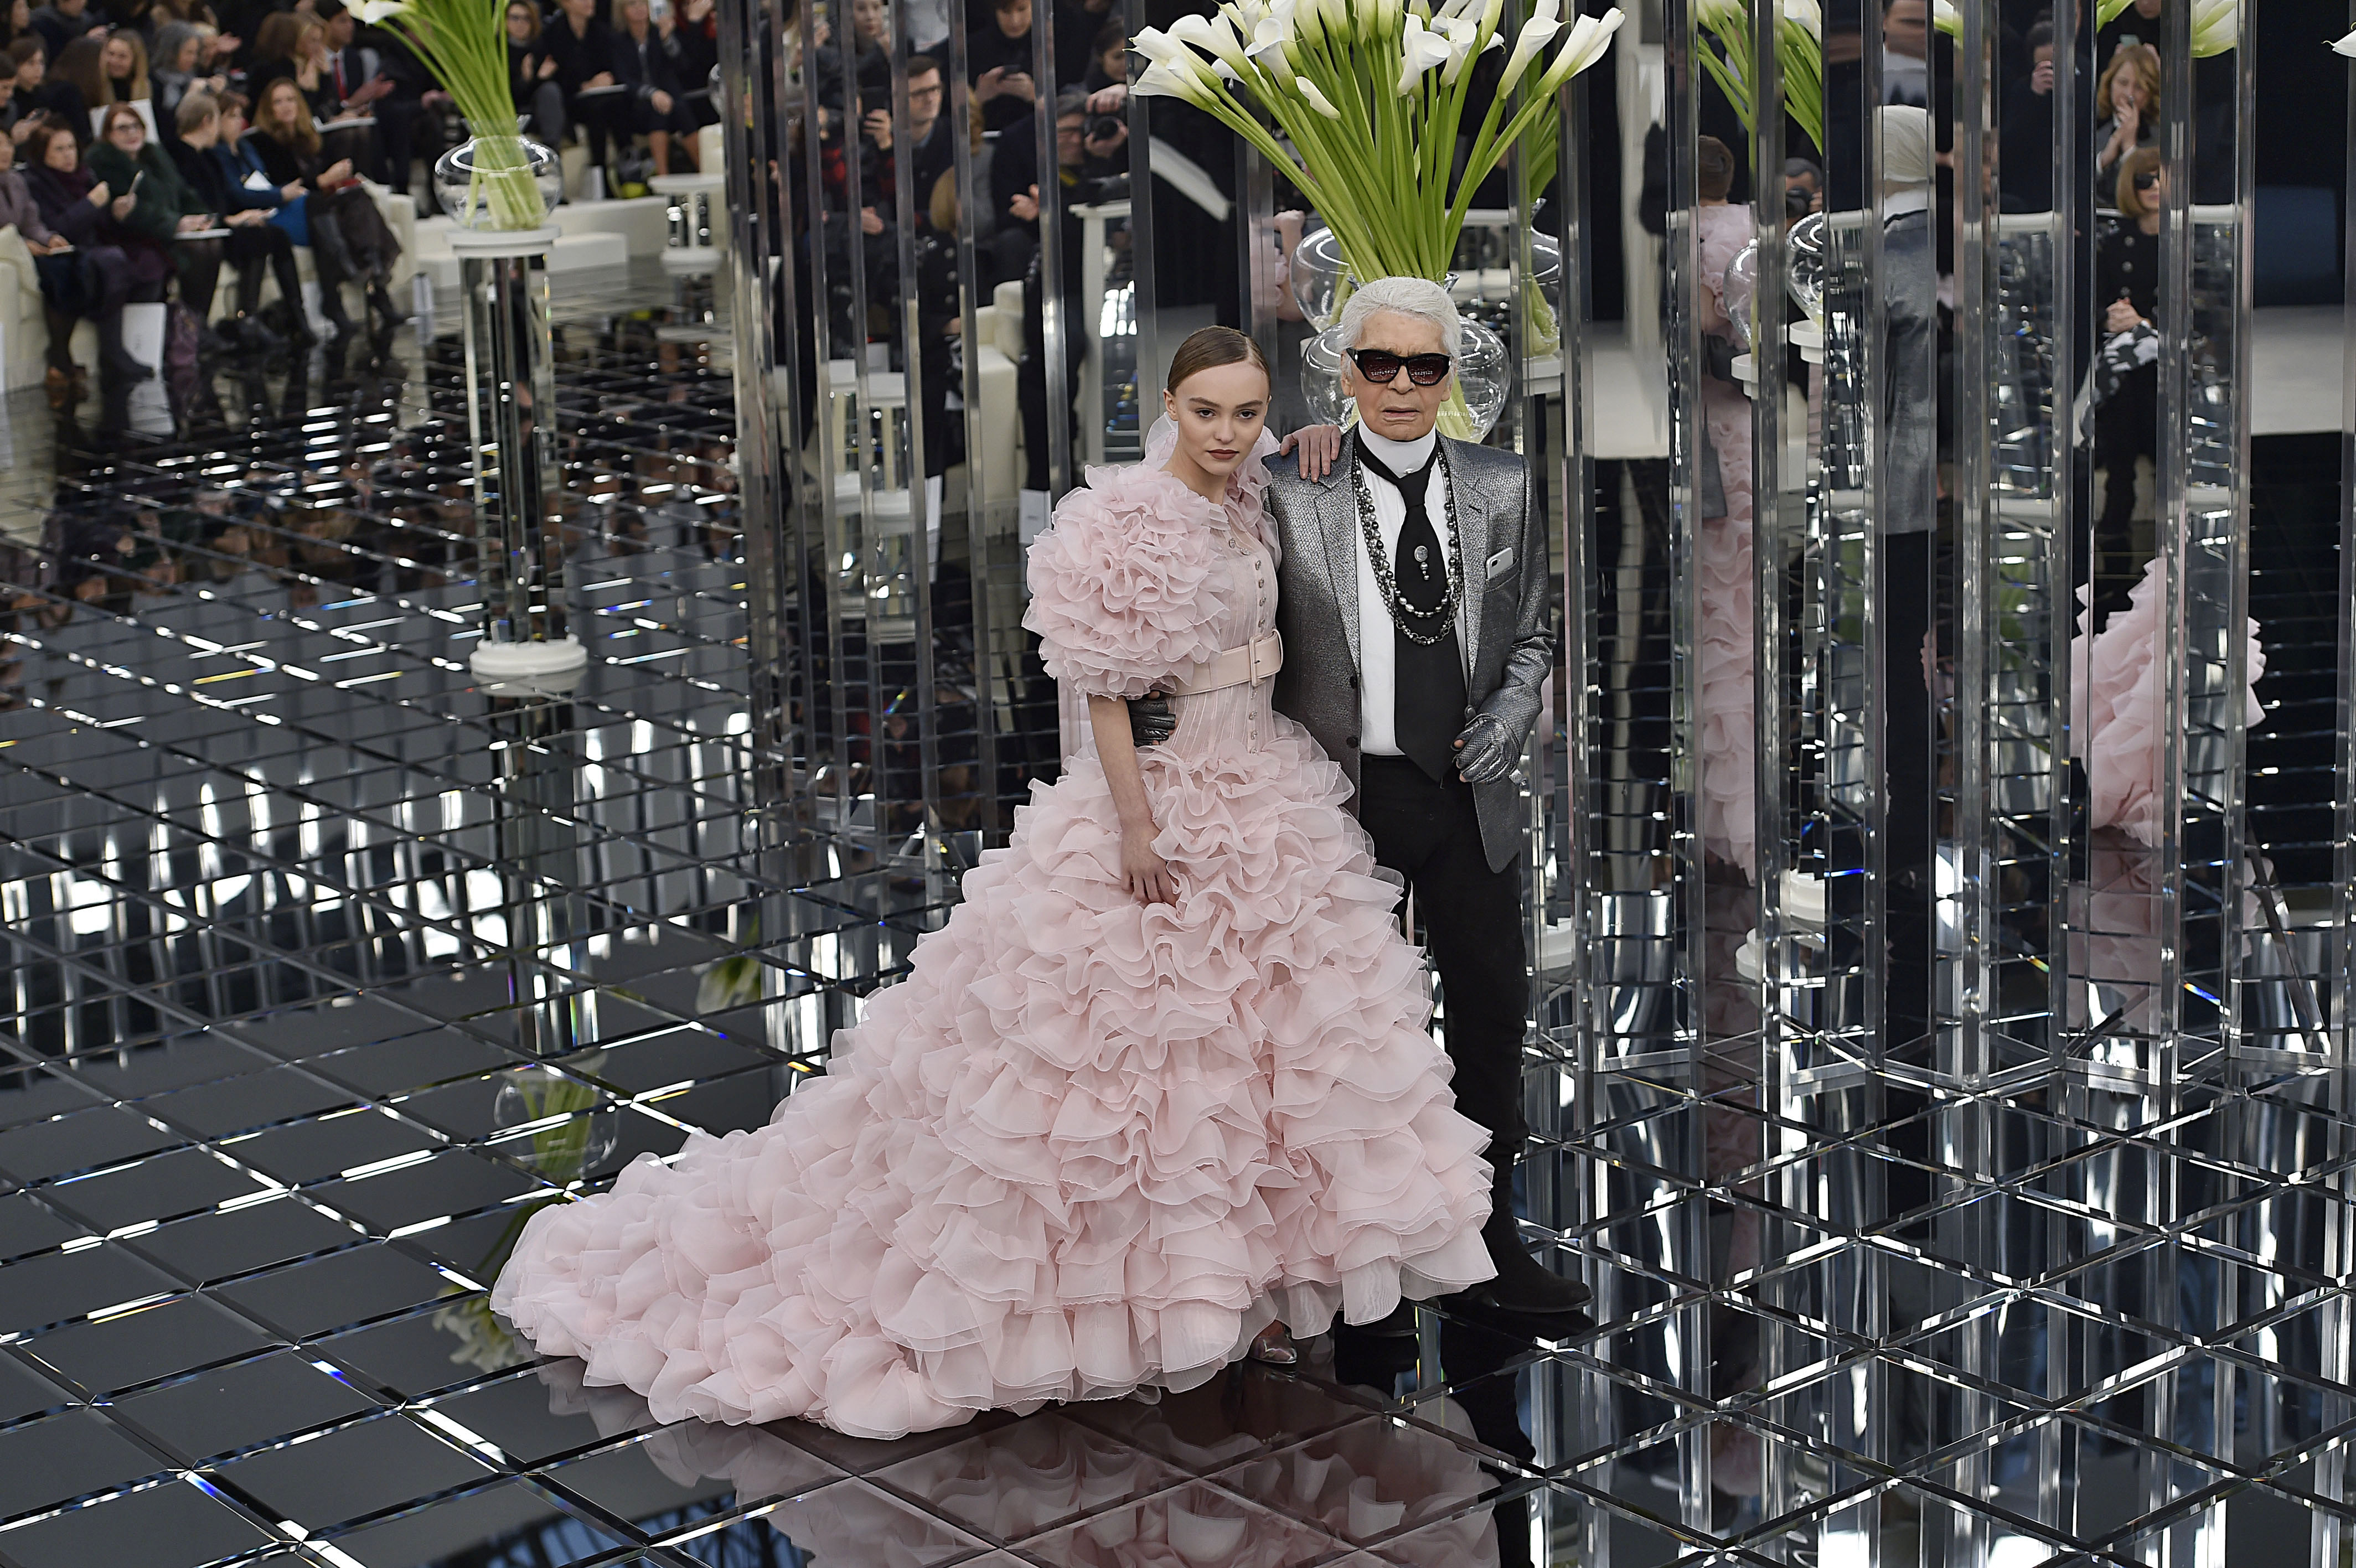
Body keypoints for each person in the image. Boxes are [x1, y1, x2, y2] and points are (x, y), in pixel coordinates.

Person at [492, 325, 1495, 1440]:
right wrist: (1133, 825)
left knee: (1266, 1056)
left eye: (1247, 412)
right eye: (1206, 411)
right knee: (1137, 1068)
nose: (1226, 433)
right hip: (1165, 791)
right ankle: (1127, 1299)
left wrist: (1308, 439)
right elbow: (1105, 691)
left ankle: (1241, 1284)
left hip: (1264, 783)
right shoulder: (1127, 517)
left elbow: (1321, 505)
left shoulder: (1252, 494)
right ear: (1167, 403)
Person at [1259, 276, 1593, 1335]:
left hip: (1471, 793)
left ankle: (1492, 1239)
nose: (1402, 385)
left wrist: (1511, 710)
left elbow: (1536, 628)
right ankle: (1354, 1257)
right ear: (1342, 370)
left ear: (1452, 376)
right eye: (1378, 364)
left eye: (1426, 366)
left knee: (1492, 1015)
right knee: (1348, 1037)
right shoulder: (1289, 485)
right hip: (1339, 795)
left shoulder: (1502, 482)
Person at [250, 73, 406, 332]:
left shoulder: (309, 136)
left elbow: (320, 181)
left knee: (357, 197)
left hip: (317, 205)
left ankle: (374, 282)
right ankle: (346, 293)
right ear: (268, 109)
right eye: (278, 102)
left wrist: (335, 180)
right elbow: (286, 187)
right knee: (319, 204)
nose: (287, 106)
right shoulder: (261, 141)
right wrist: (323, 181)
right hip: (286, 211)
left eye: (291, 99)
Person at [20, 112, 164, 390]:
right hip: (64, 253)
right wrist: (90, 203)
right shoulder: (35, 182)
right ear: (43, 153)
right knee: (111, 261)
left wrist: (115, 212)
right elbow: (57, 229)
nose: (68, 156)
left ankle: (142, 344)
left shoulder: (86, 176)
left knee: (151, 259)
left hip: (93, 247)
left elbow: (102, 225)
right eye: (59, 149)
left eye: (71, 147)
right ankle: (113, 353)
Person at [170, 90, 304, 346]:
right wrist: (230, 220)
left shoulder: (206, 156)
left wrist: (237, 217)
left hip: (221, 222)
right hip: (207, 228)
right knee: (257, 236)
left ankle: (285, 315)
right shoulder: (180, 156)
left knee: (274, 234)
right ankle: (245, 318)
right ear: (207, 121)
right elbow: (195, 203)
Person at [607, 0, 694, 175]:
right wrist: (652, 94)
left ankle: (704, 171)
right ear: (622, 11)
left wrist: (668, 39)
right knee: (656, 113)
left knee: (682, 110)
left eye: (642, 3)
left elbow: (682, 66)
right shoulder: (617, 41)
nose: (639, 8)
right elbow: (623, 79)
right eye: (632, 4)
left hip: (670, 98)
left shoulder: (659, 34)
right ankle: (663, 177)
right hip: (637, 103)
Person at [540, 0, 621, 180]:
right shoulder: (553, 33)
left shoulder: (600, 31)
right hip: (568, 99)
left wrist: (607, 79)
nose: (590, 2)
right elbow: (553, 75)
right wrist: (584, 86)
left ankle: (629, 169)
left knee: (618, 105)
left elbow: (614, 65)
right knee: (597, 112)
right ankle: (602, 177)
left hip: (600, 96)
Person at [2092, 43, 2156, 208]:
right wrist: (2104, 160)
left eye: (2139, 88)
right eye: (2123, 83)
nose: (2129, 94)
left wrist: (2129, 147)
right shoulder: (2091, 126)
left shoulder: (2162, 134)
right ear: (2109, 83)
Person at [967, 0, 1034, 135]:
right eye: (1006, 12)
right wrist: (978, 98)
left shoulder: (1052, 44)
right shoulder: (974, 48)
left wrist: (1034, 96)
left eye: (1022, 10)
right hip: (984, 138)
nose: (1014, 21)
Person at [505, 0, 564, 144]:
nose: (521, 23)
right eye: (515, 18)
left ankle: (552, 148)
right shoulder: (498, 51)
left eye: (527, 18)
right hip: (510, 110)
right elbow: (512, 96)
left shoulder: (541, 46)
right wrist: (527, 79)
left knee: (550, 91)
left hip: (539, 110)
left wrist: (538, 79)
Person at [3, 37, 85, 135]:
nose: (38, 69)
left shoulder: (46, 95)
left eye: (41, 62)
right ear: (16, 65)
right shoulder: (9, 99)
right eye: (31, 63)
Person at [25, 0, 105, 65]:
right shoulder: (43, 22)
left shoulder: (88, 20)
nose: (83, 2)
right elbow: (57, 57)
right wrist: (86, 41)